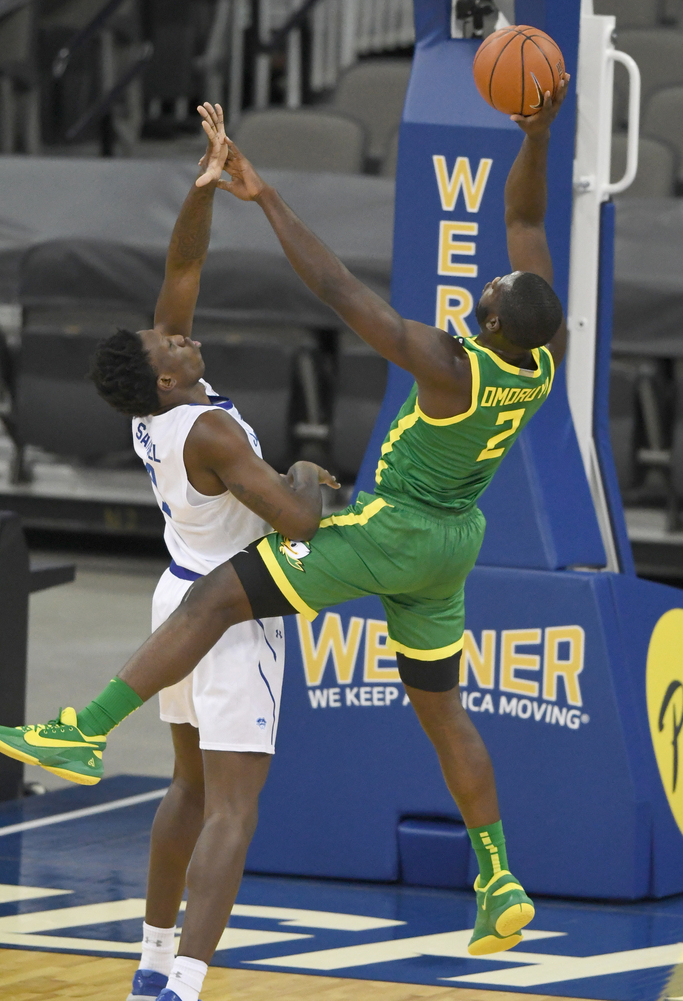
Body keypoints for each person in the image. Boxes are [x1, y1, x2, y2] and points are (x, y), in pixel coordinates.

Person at [0, 77, 569, 980]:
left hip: (378, 532)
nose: (486, 277)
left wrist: (243, 193)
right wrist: (536, 137)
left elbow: (317, 287)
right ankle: (497, 874)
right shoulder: (538, 358)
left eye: (490, 286)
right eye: (171, 344)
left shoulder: (442, 363)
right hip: (451, 540)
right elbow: (523, 226)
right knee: (438, 714)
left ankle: (87, 729)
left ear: (491, 319)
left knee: (218, 612)